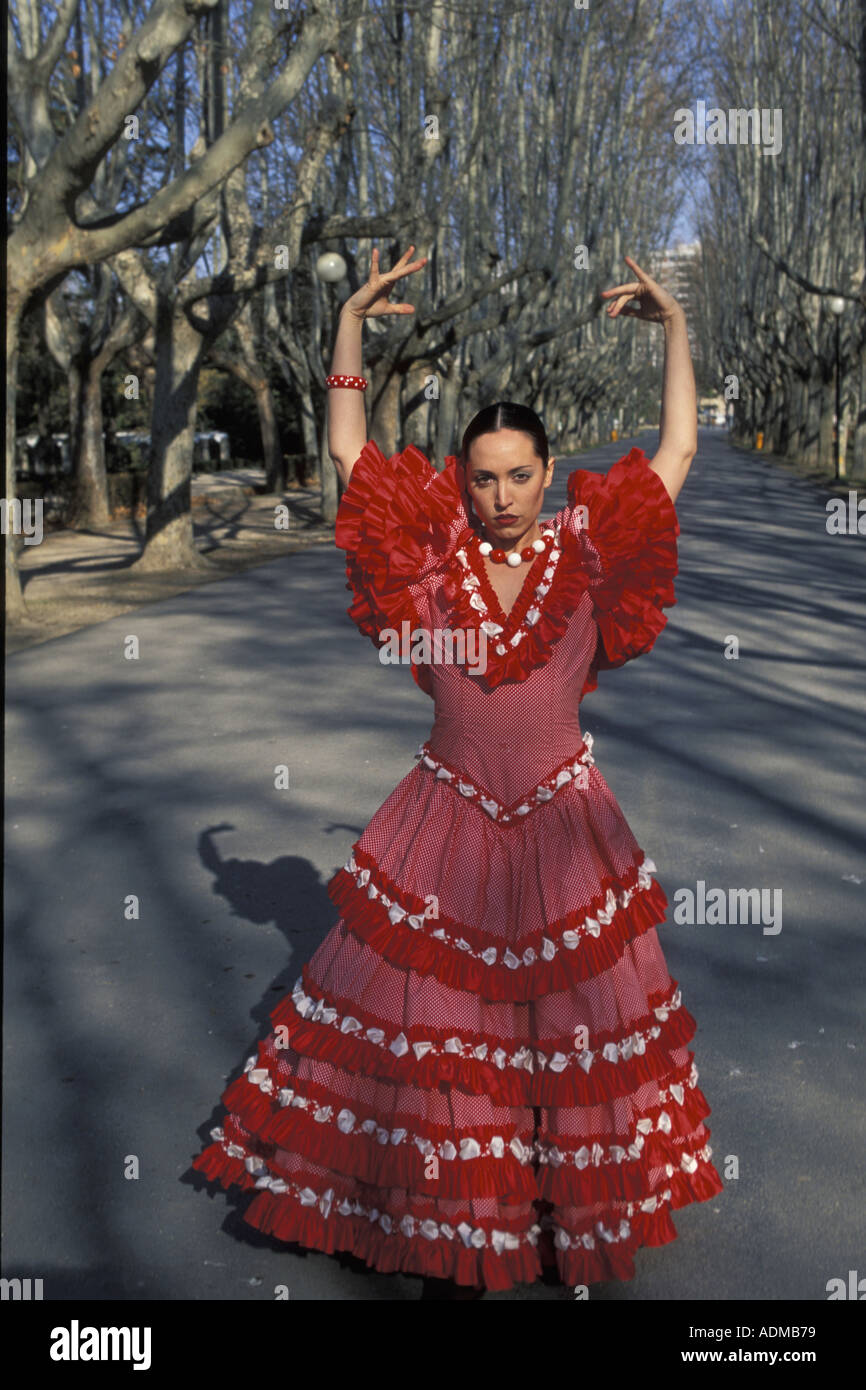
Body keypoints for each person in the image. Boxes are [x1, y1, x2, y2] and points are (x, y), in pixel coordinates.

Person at [192, 246, 724, 1300]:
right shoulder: (426, 550)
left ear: (543, 470)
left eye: (518, 474)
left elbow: (674, 448)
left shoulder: (584, 542)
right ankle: (436, 1202)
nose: (498, 496)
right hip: (442, 817)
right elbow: (348, 447)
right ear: (461, 478)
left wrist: (672, 329)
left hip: (567, 821)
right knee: (440, 1033)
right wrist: (345, 324)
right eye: (479, 477)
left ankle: (551, 1200)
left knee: (562, 1020)